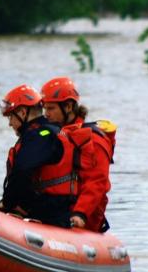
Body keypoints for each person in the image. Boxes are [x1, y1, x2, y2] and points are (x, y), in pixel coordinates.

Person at [40, 76, 115, 232]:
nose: (46, 114)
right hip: (56, 210)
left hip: (81, 217)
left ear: (68, 107)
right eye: (45, 109)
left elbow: (96, 181)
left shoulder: (93, 140)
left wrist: (80, 213)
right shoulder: (54, 135)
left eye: (51, 109)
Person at [0, 84, 78, 228]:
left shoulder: (40, 135)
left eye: (11, 116)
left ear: (23, 112)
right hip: (56, 209)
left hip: (51, 214)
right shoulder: (48, 131)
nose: (10, 123)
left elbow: (21, 171)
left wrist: (6, 204)